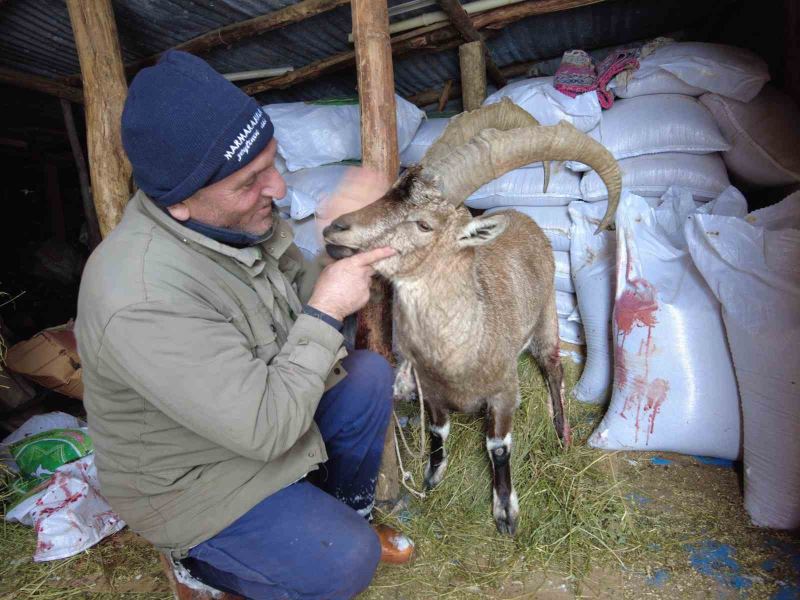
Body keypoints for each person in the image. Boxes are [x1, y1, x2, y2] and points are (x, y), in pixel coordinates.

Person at [75, 50, 411, 600]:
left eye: (274, 164)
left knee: (369, 375)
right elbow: (265, 427)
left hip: (255, 416)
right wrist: (328, 307)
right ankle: (202, 568)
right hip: (196, 480)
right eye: (250, 181)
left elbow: (298, 294)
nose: (277, 189)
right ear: (180, 203)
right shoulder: (137, 294)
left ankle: (339, 515)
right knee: (346, 566)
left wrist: (335, 246)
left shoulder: (236, 223)